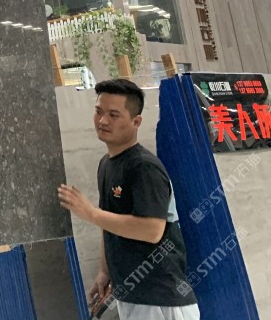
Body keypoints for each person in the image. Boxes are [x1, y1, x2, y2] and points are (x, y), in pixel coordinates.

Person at [58, 78, 200, 320]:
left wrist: (91, 213)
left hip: (161, 299)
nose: (103, 121)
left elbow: (152, 230)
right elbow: (109, 224)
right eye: (99, 111)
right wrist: (105, 271)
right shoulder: (106, 164)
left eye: (113, 115)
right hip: (131, 296)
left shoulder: (143, 167)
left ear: (136, 122)